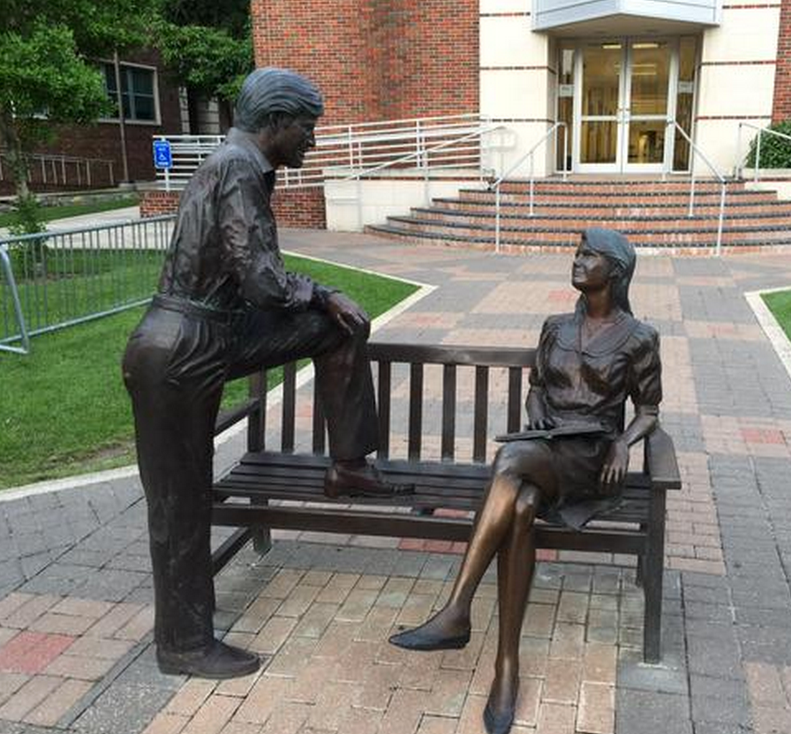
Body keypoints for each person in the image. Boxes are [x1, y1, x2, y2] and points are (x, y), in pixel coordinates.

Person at [122, 68, 407, 680]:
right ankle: (183, 644)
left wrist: (323, 301)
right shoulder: (239, 168)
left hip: (213, 335)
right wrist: (320, 290)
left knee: (338, 328)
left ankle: (348, 465)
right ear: (276, 122)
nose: (313, 140)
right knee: (179, 504)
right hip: (179, 349)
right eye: (307, 127)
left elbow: (254, 280)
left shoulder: (241, 165)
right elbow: (264, 283)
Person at [388, 229, 662, 734]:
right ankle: (506, 668)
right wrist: (535, 412)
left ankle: (457, 610)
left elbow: (649, 409)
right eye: (576, 252)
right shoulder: (555, 327)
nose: (577, 260)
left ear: (616, 272)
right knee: (520, 506)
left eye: (589, 255)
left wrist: (625, 443)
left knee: (510, 459)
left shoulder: (639, 337)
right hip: (546, 450)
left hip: (591, 459)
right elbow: (537, 389)